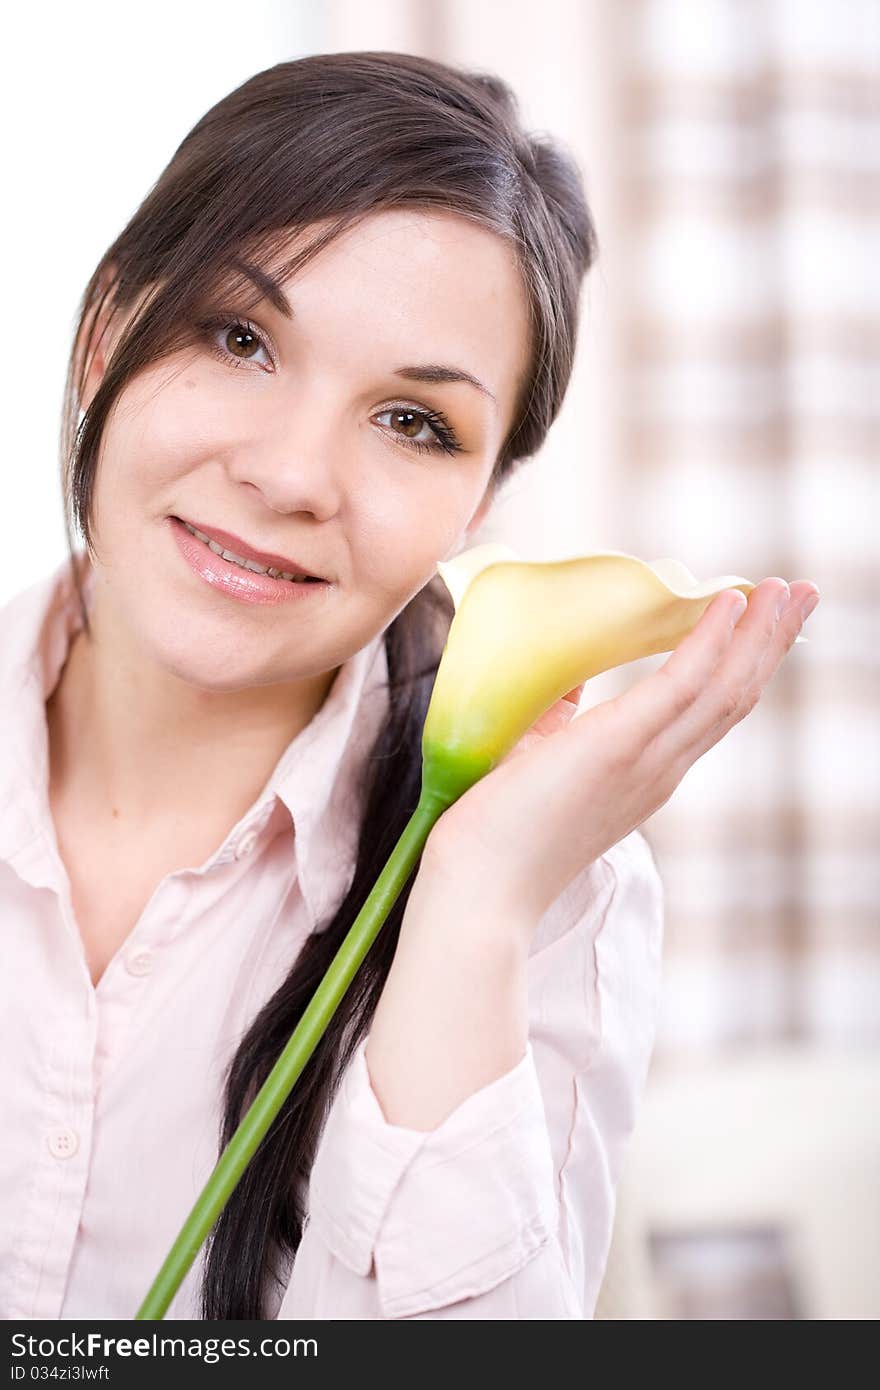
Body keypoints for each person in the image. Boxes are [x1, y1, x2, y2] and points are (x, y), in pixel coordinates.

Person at [0, 50, 818, 1323]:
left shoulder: (556, 896)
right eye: (240, 336)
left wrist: (475, 906)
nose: (290, 476)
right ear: (107, 326)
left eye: (412, 423)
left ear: (481, 502)